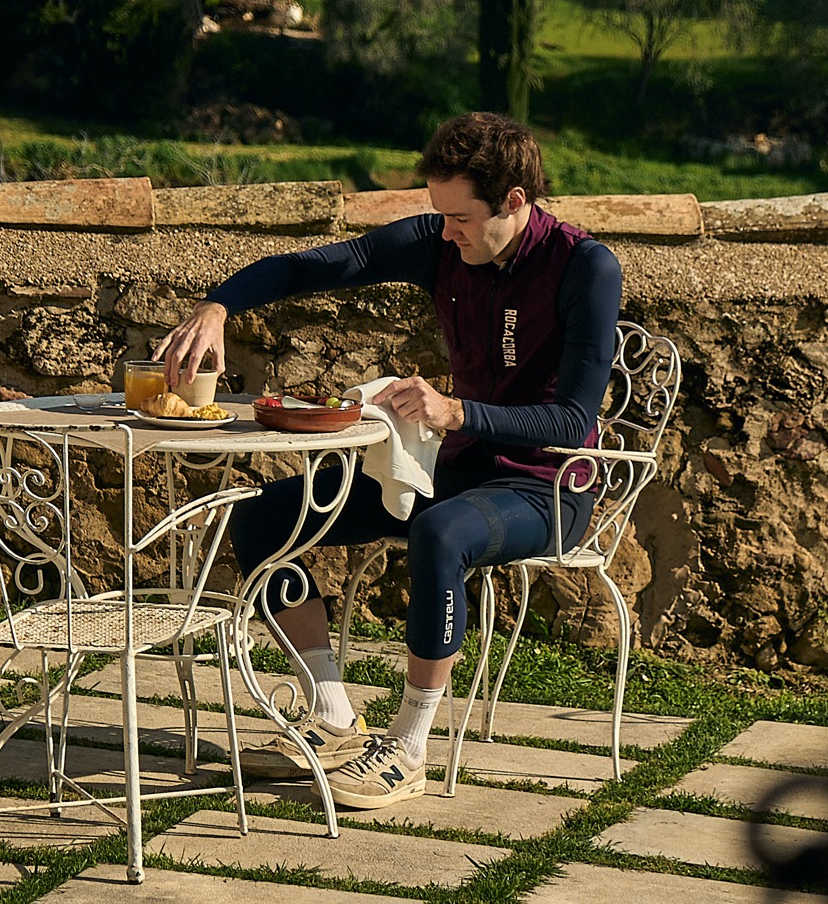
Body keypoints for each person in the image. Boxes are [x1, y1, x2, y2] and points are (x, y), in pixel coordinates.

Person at [159, 111, 622, 805]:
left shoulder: (586, 267)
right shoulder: (440, 241)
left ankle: (407, 749)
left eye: (460, 217)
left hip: (546, 488)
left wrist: (457, 411)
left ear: (515, 203)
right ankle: (333, 716)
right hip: (458, 468)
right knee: (262, 518)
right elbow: (314, 267)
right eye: (438, 214)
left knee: (440, 532)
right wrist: (220, 306)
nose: (446, 230)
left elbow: (572, 419)